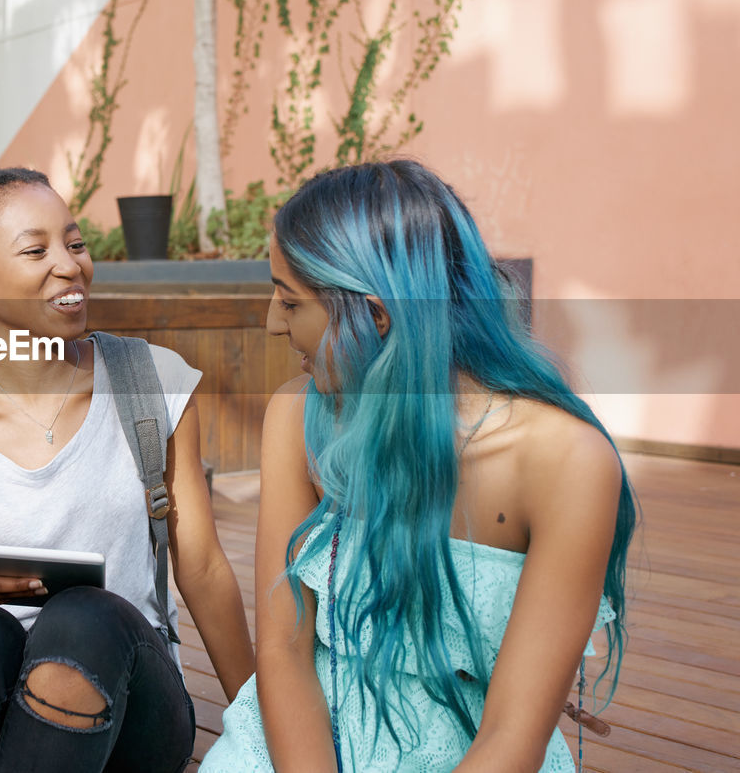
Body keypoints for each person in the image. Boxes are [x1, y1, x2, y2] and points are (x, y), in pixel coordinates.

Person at [201, 161, 638, 772]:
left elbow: (514, 735)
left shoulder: (569, 465)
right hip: (297, 744)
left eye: (289, 300)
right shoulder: (297, 418)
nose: (274, 324)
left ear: (376, 318)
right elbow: (283, 649)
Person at [0, 167, 255, 771]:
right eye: (36, 250)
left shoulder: (153, 382)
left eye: (75, 243)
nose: (70, 264)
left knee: (84, 618)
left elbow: (201, 568)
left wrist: (260, 725)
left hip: (130, 704)